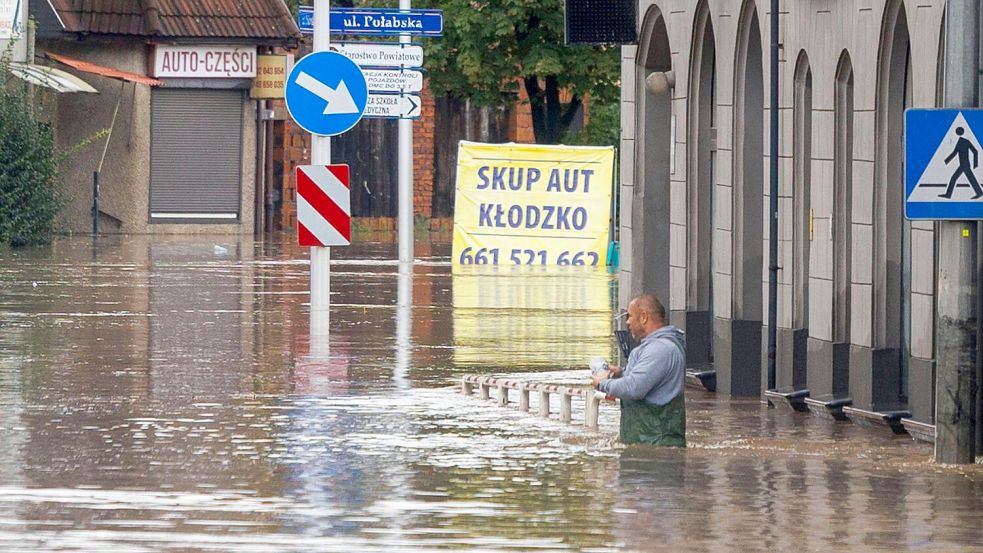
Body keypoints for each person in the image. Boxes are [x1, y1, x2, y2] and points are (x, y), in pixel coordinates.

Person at [591, 293, 686, 447]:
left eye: (629, 316)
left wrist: (603, 383)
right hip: (649, 445)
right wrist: (621, 373)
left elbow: (634, 388)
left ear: (643, 317)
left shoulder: (659, 349)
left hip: (656, 449)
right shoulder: (655, 347)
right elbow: (645, 381)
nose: (627, 322)